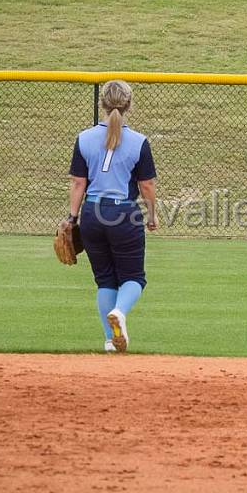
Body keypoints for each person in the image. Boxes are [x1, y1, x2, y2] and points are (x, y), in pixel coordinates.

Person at [64, 80, 158, 353]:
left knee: (105, 279)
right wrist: (151, 215)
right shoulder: (139, 141)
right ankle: (119, 311)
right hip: (123, 214)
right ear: (129, 104)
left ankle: (109, 340)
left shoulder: (84, 137)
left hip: (92, 213)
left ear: (101, 104)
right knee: (134, 278)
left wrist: (72, 218)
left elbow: (78, 183)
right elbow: (147, 185)